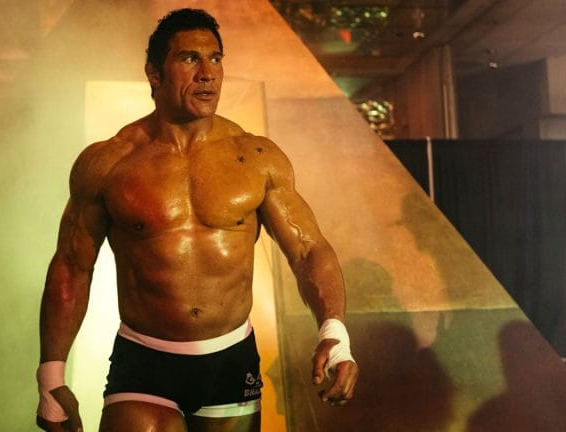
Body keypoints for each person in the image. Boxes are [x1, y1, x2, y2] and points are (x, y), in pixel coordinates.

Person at [37, 8, 358, 432]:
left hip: (231, 360)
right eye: (190, 58)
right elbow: (72, 266)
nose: (207, 73)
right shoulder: (109, 163)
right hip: (144, 361)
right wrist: (51, 376)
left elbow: (308, 250)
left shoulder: (256, 157)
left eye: (215, 59)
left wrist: (334, 332)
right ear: (154, 73)